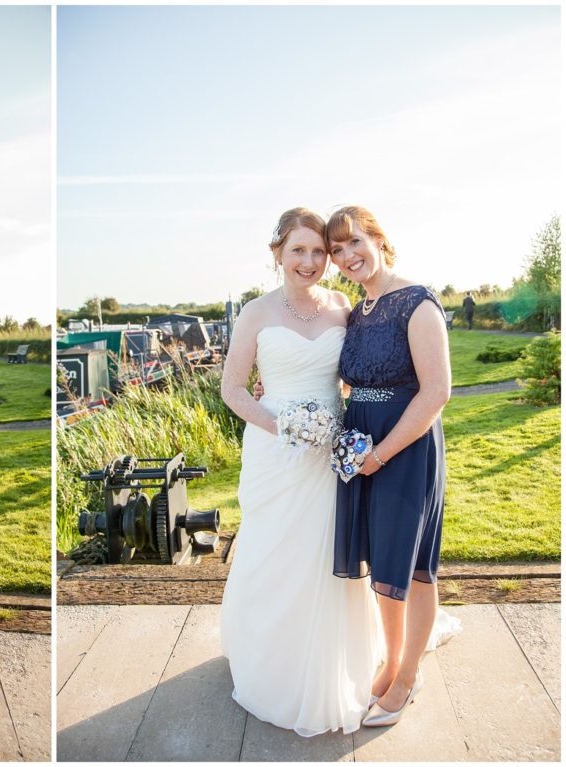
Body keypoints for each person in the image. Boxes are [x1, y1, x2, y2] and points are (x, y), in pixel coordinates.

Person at [219, 208, 380, 736]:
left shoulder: (343, 307)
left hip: (330, 450)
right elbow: (232, 390)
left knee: (328, 553)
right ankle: (273, 664)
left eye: (319, 251)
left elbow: (355, 375)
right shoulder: (256, 313)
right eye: (298, 250)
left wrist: (344, 419)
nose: (310, 261)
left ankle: (332, 663)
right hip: (275, 452)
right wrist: (284, 426)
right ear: (278, 254)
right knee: (275, 552)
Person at [327, 206, 456, 726]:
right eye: (337, 250)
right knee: (383, 562)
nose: (347, 256)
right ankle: (393, 661)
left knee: (413, 565)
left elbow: (437, 392)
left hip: (405, 449)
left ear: (379, 239)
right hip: (363, 446)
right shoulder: (357, 312)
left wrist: (381, 454)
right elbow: (350, 380)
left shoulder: (416, 303)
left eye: (355, 242)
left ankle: (408, 676)